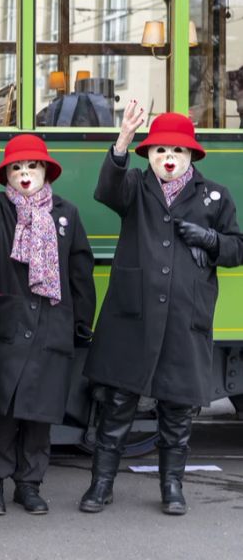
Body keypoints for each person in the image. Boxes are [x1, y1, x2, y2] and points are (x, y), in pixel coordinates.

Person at [81, 106, 243, 515]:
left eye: (177, 151)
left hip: (184, 318)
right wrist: (122, 141)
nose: (168, 158)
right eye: (159, 151)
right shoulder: (135, 185)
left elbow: (236, 248)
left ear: (191, 156)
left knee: (177, 409)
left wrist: (210, 239)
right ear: (148, 154)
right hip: (133, 315)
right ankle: (101, 485)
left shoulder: (215, 196)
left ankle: (172, 486)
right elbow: (106, 191)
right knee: (118, 403)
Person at [0, 93, 96, 517]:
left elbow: (80, 270)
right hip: (7, 325)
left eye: (31, 166)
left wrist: (81, 322)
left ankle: (30, 484)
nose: (24, 174)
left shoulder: (66, 213)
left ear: (44, 171)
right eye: (17, 167)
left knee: (39, 415)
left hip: (52, 326)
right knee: (0, 411)